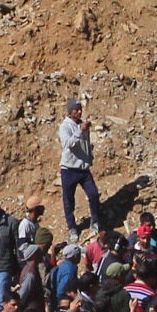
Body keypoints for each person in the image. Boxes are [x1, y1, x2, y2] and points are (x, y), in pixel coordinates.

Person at [57, 100, 97, 234]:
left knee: (94, 195)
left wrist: (89, 158)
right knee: (69, 200)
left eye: (80, 109)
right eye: (76, 110)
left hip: (83, 169)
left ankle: (95, 221)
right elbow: (68, 144)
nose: (79, 112)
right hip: (69, 170)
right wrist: (80, 131)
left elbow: (86, 144)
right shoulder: (65, 126)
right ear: (70, 112)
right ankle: (72, 227)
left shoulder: (82, 125)